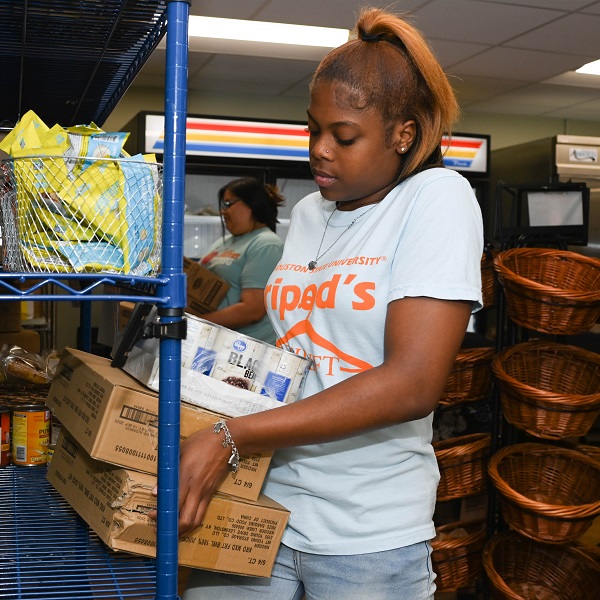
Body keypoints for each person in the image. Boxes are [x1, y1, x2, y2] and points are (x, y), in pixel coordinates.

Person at [168, 7, 483, 599]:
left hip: (366, 533)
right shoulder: (311, 213)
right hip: (263, 499)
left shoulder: (439, 199)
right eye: (312, 128)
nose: (319, 151)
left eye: (343, 136)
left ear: (404, 134)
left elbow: (412, 382)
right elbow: (296, 348)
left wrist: (232, 434)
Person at [195, 177, 285, 344]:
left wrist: (194, 323)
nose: (223, 211)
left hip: (242, 348)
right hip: (212, 340)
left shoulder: (266, 243)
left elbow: (252, 311)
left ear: (252, 204)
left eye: (228, 204)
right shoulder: (223, 242)